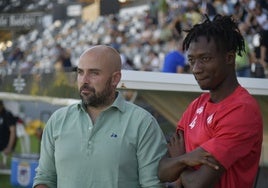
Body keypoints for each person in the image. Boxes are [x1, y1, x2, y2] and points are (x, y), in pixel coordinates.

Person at [33, 45, 167, 188]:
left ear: (115, 78)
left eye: (94, 73)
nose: (84, 80)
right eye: (80, 72)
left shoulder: (143, 123)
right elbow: (44, 178)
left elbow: (152, 185)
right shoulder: (57, 120)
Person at [158, 14, 263, 188]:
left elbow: (198, 184)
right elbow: (162, 171)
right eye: (191, 60)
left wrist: (179, 161)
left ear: (229, 58)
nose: (196, 69)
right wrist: (186, 159)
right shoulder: (197, 105)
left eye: (205, 59)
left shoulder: (242, 110)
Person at [0, 100, 17, 166]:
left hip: (4, 143)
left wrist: (9, 147)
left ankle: (2, 165)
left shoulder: (8, 115)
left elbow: (13, 132)